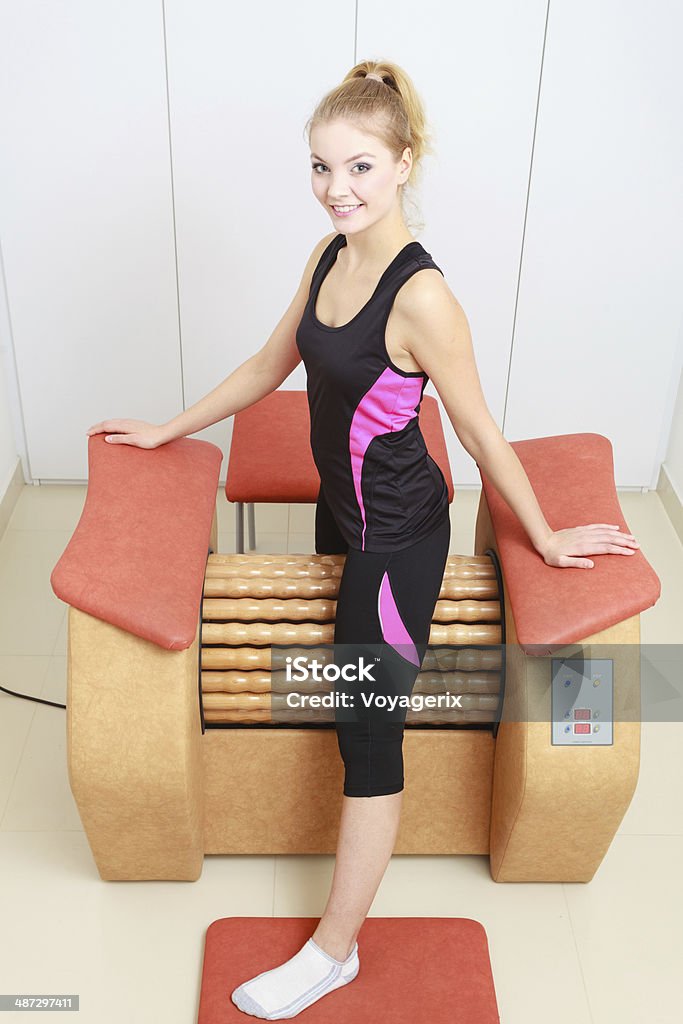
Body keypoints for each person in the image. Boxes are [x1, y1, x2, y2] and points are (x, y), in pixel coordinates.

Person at [86, 59, 639, 1021]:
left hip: (397, 547)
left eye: (360, 168)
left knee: (367, 731)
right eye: (319, 166)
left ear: (403, 163)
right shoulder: (325, 255)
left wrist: (543, 537)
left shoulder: (423, 299)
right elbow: (270, 363)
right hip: (337, 515)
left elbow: (476, 431)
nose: (336, 188)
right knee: (317, 678)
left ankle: (334, 952)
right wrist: (170, 429)